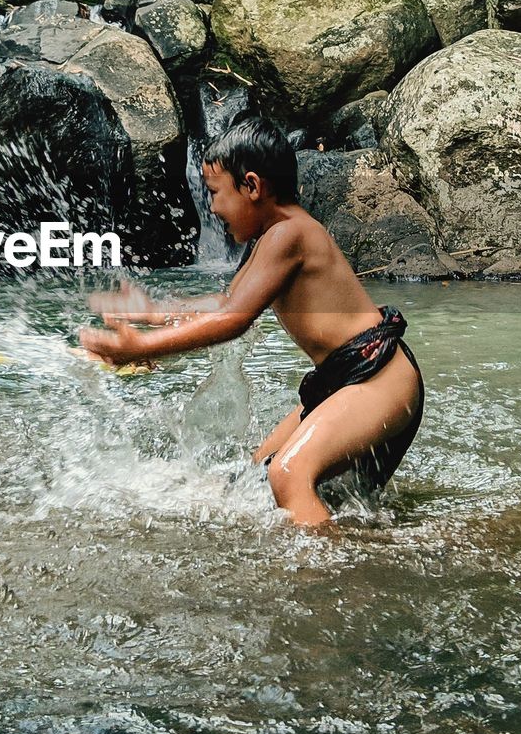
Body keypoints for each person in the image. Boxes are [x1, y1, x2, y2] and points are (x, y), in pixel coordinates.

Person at [80, 117, 423, 527]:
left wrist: (143, 346)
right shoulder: (272, 238)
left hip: (378, 376)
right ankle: (348, 543)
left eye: (215, 193)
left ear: (252, 186)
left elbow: (233, 320)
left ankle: (331, 581)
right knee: (255, 474)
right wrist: (152, 314)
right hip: (348, 378)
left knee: (288, 475)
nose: (212, 208)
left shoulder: (289, 234)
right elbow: (225, 303)